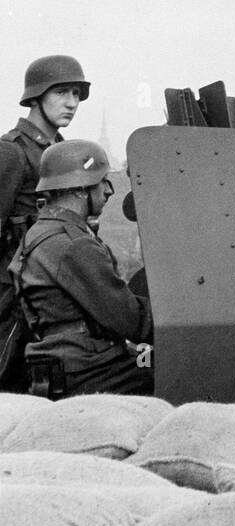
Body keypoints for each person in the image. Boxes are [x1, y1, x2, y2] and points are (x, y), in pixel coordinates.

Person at [9, 140, 153, 398]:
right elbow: (128, 319)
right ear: (79, 190)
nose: (108, 191)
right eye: (101, 182)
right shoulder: (74, 244)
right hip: (90, 368)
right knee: (174, 371)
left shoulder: (37, 235)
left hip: (57, 364)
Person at [0, 55, 90, 391]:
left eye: (77, 95)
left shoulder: (64, 152)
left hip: (58, 291)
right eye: (62, 93)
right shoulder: (12, 152)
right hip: (14, 297)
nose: (71, 103)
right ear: (36, 97)